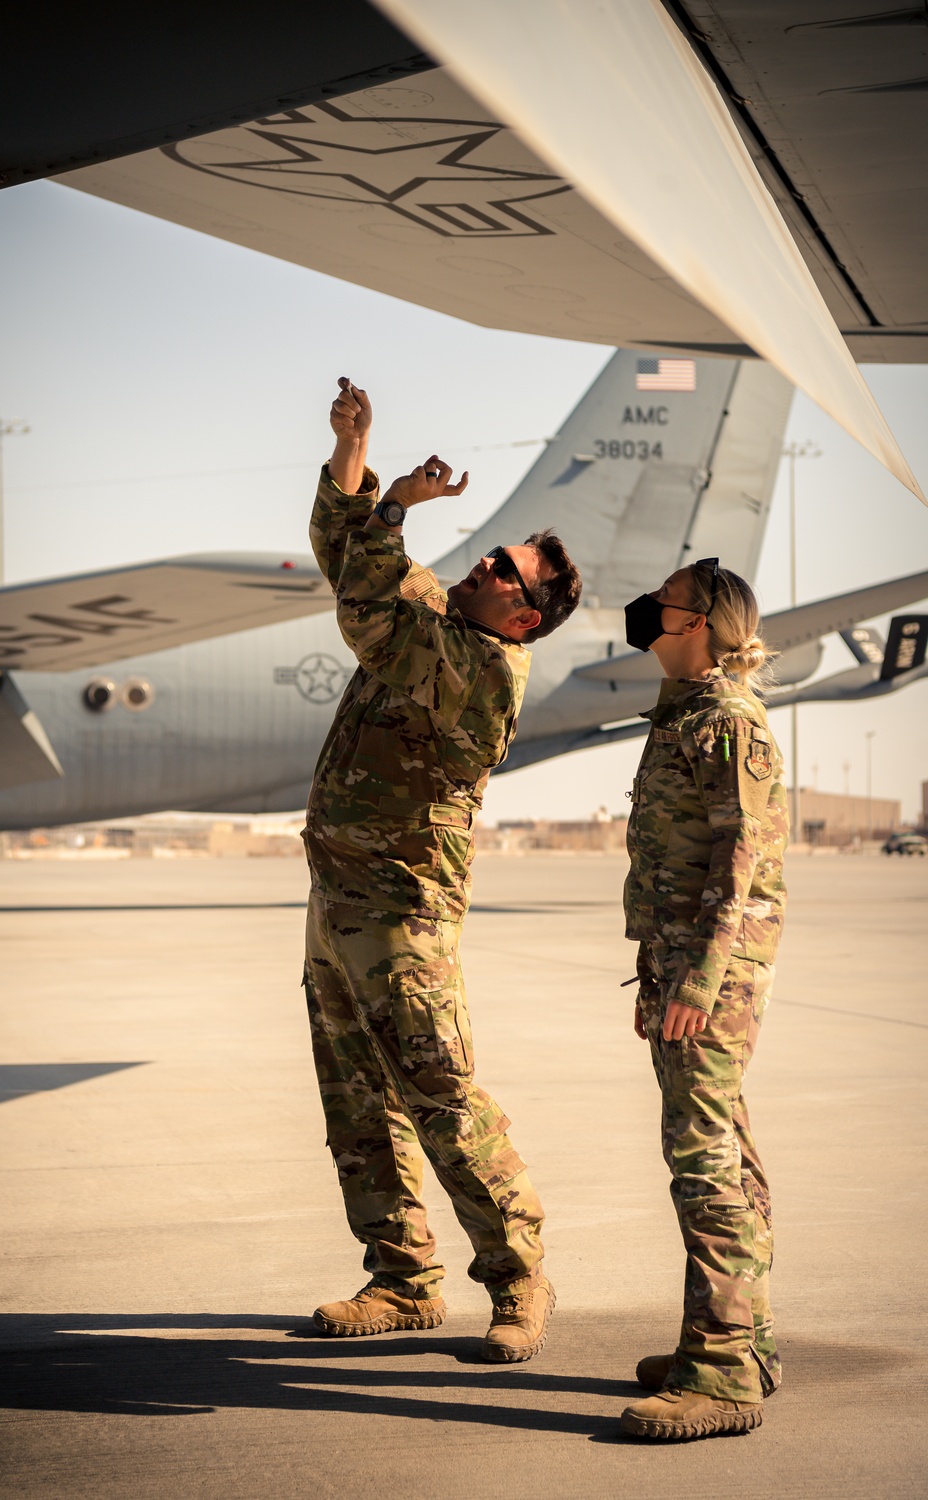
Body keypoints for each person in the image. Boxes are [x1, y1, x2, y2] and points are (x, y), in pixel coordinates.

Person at [303, 377, 582, 1362]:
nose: (484, 562)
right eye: (493, 552)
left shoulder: (481, 669)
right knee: (353, 1093)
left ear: (526, 612)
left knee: (439, 1092)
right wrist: (354, 451)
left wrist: (395, 510)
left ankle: (519, 1274)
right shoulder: (443, 618)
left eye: (504, 567)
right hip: (338, 894)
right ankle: (403, 1280)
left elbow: (366, 611)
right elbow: (348, 557)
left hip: (399, 912)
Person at [618, 557, 788, 1441]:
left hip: (709, 971)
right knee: (726, 1145)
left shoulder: (726, 721)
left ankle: (722, 1379)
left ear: (701, 625)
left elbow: (740, 866)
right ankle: (734, 1343)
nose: (650, 611)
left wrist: (697, 981)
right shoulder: (686, 713)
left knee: (703, 1159)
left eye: (667, 603)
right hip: (682, 961)